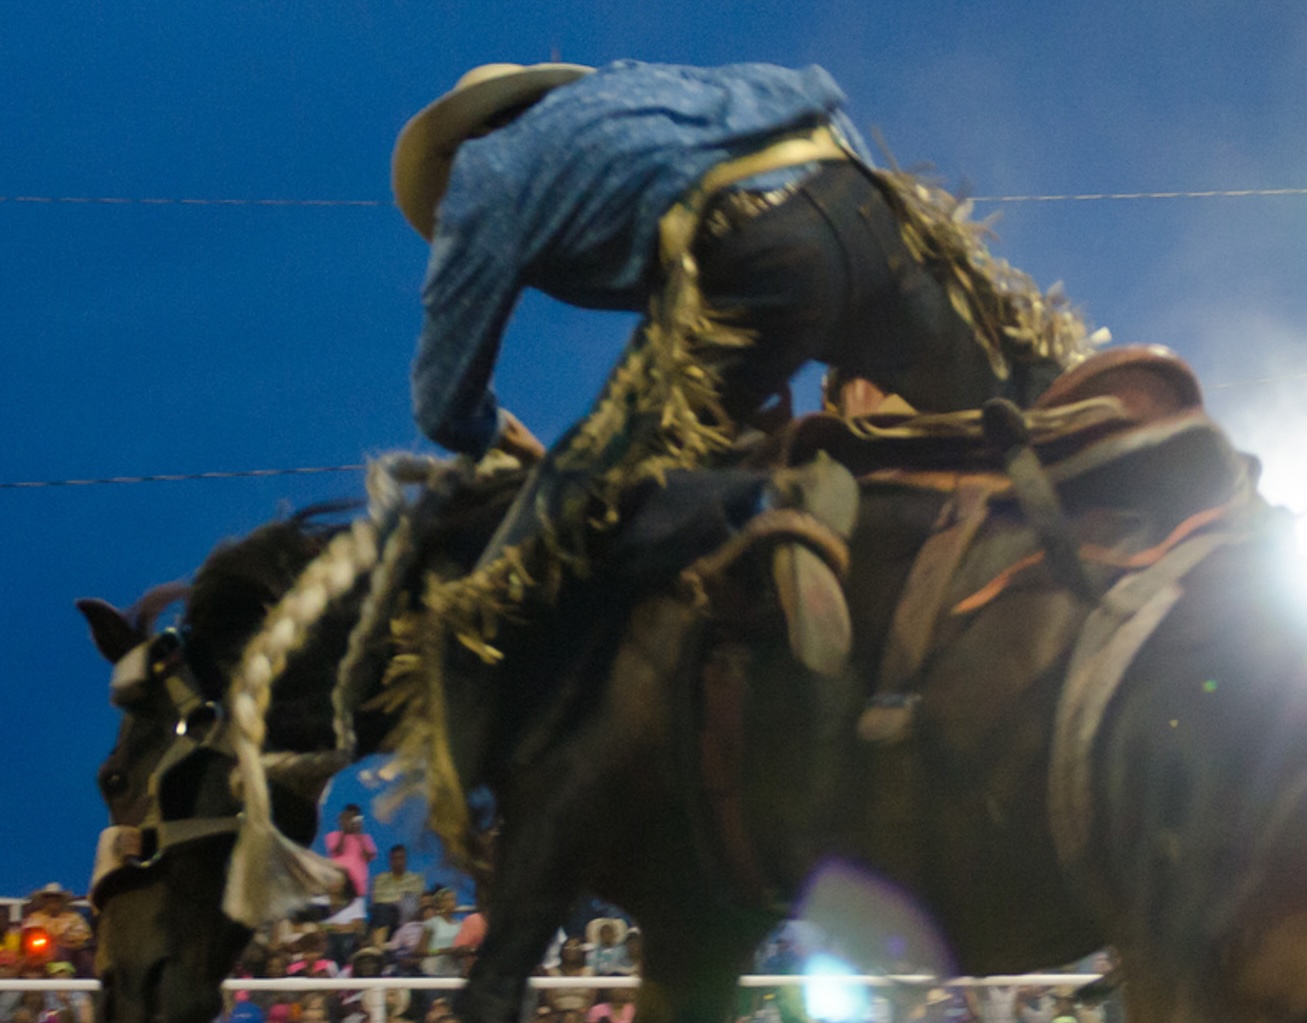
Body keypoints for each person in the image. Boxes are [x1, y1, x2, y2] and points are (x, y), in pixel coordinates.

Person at [391, 59, 1087, 665]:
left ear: (463, 144)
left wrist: (493, 434)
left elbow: (442, 401)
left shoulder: (485, 173)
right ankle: (1117, 477)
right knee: (1028, 412)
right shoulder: (638, 89)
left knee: (589, 511)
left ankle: (784, 501)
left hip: (763, 256)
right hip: (871, 209)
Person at [324, 807, 378, 901]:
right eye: (348, 818)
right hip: (339, 885)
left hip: (358, 887)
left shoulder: (365, 838)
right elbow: (337, 851)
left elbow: (368, 857)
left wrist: (359, 835)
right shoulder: (333, 835)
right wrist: (344, 830)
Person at [370, 847, 425, 938]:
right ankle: (379, 944)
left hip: (407, 916)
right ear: (390, 861)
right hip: (386, 915)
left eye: (401, 858)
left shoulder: (415, 879)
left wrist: (394, 899)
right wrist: (399, 899)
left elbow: (417, 901)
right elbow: (377, 900)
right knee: (382, 910)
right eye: (395, 859)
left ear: (406, 860)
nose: (399, 862)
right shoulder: (380, 879)